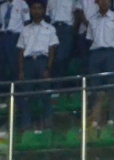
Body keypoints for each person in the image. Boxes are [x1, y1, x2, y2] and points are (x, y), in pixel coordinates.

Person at [17, 0, 60, 130]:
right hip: (29, 62)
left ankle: (47, 123)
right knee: (27, 96)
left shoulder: (50, 28)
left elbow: (52, 50)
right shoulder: (24, 29)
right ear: (30, 10)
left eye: (39, 8)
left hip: (42, 62)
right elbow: (21, 51)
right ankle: (26, 124)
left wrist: (48, 68)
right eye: (34, 8)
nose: (36, 11)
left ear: (43, 10)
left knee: (45, 95)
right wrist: (21, 70)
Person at [86, 0, 114, 126]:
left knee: (112, 87)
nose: (104, 2)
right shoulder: (92, 19)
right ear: (96, 2)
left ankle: (112, 118)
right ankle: (96, 119)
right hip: (95, 54)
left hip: (111, 53)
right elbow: (90, 39)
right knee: (95, 88)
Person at [46, 0, 74, 77]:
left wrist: (72, 30)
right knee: (52, 57)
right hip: (52, 28)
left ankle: (60, 84)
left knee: (61, 58)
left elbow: (76, 14)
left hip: (66, 29)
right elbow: (47, 15)